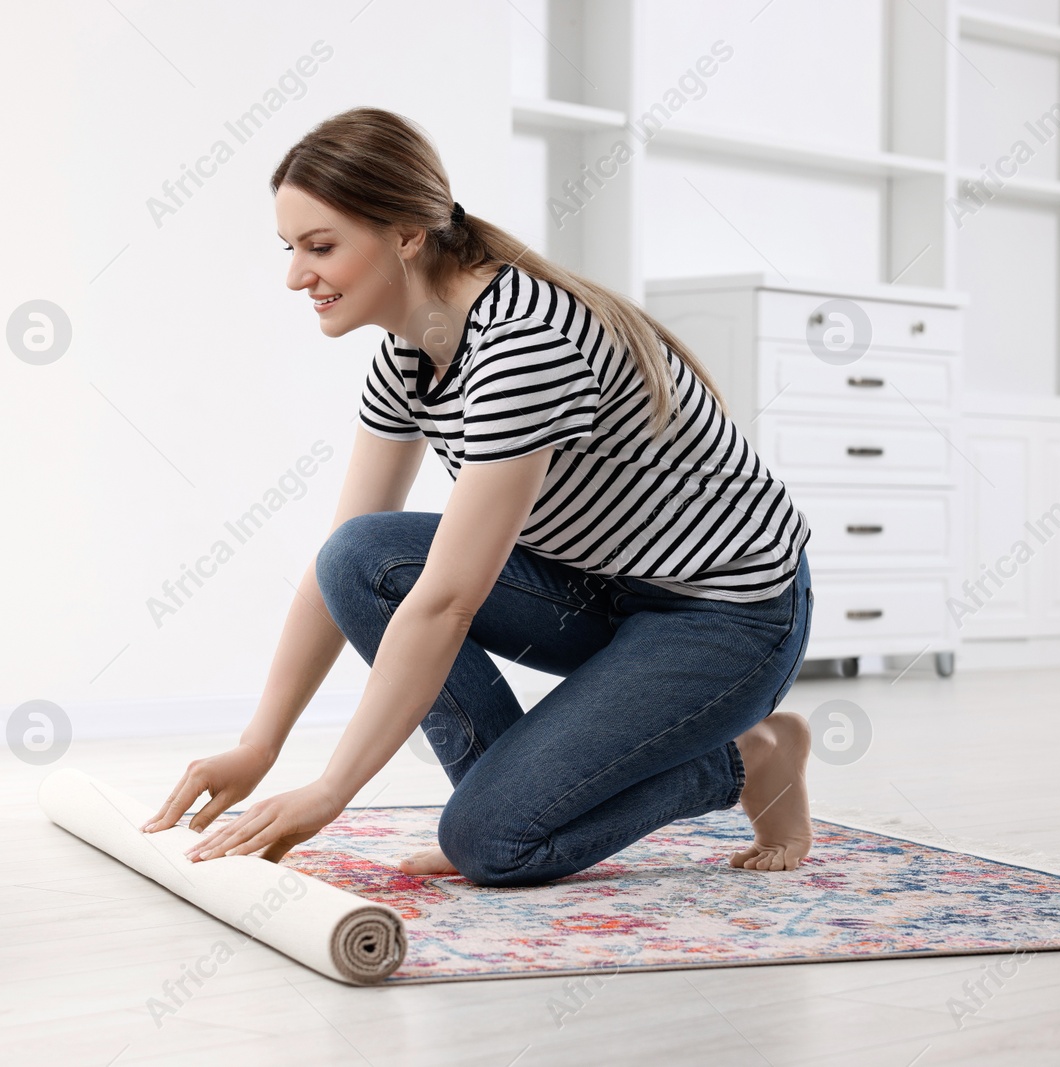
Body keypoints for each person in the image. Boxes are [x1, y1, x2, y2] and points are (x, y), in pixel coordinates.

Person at [139, 107, 815, 886]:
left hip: (727, 615)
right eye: (292, 248)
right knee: (358, 557)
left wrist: (332, 789)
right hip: (606, 592)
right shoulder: (411, 351)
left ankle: (748, 755)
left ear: (405, 235)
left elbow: (446, 602)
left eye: (320, 247)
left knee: (494, 846)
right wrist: (260, 743)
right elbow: (344, 564)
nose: (297, 274)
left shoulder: (523, 344)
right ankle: (507, 807)